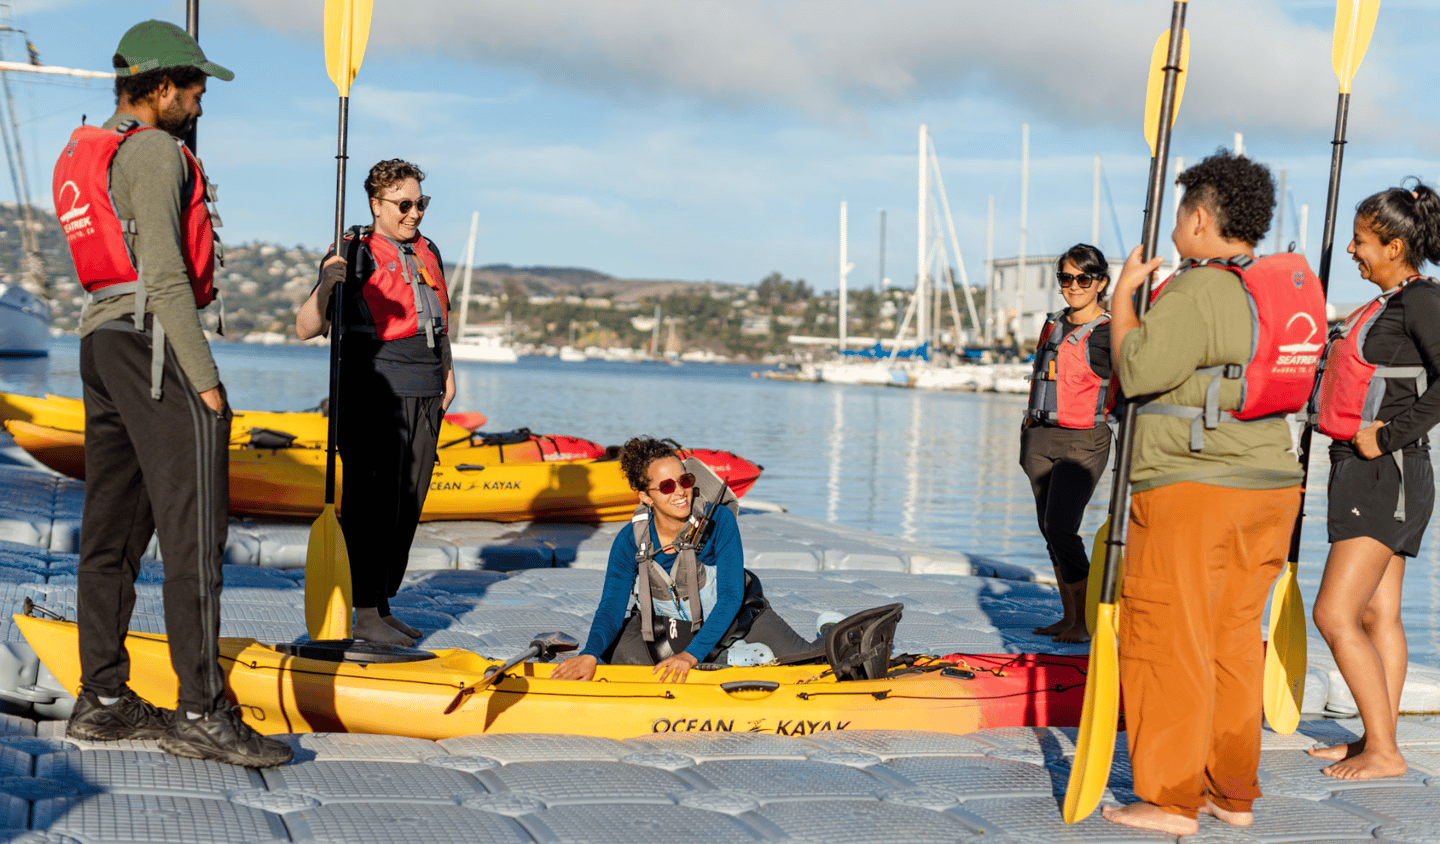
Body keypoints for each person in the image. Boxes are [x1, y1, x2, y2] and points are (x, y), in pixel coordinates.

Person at [54, 20, 290, 766]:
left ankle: (104, 700)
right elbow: (164, 276)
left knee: (112, 534)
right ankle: (202, 710)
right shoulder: (154, 151)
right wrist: (208, 382)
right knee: (193, 536)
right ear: (159, 88)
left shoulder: (89, 146)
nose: (199, 102)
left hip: (102, 340)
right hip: (155, 345)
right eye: (193, 87)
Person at [1102, 150, 1324, 835]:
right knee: (1231, 641)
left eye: (1179, 211)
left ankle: (1168, 799)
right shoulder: (1271, 288)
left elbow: (1139, 371)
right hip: (1271, 488)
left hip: (1193, 488)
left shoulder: (1198, 289)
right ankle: (1230, 792)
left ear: (1198, 218)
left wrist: (1121, 302)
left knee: (1168, 636)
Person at [1307, 182, 1440, 780]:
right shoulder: (1381, 304)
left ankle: (1385, 752)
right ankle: (1375, 737)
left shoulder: (1421, 301)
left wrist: (1384, 436)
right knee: (1376, 615)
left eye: (1362, 242)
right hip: (1364, 470)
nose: (1353, 251)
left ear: (1393, 245)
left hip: (1386, 471)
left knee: (1334, 615)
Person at [295, 159, 455, 646]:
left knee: (407, 505)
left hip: (426, 386)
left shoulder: (429, 251)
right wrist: (328, 282)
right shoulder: (353, 251)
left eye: (420, 203)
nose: (414, 214)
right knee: (371, 506)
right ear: (376, 204)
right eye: (404, 205)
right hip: (375, 390)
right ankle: (362, 613)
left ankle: (380, 604)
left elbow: (439, 319)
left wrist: (448, 371)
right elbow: (305, 328)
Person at [552, 437, 820, 682]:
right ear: (646, 497)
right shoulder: (629, 540)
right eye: (667, 486)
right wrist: (589, 654)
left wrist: (691, 655)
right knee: (619, 657)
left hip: (740, 618)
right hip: (672, 628)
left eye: (685, 480)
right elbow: (611, 607)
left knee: (809, 666)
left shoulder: (719, 520)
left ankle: (827, 629)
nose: (680, 492)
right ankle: (727, 658)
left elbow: (730, 597)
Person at [1020, 244, 1114, 643]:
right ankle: (1069, 616)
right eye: (1066, 278)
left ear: (1100, 283)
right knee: (1048, 528)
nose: (1073, 286)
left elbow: (1136, 384)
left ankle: (1088, 621)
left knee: (1062, 527)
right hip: (1040, 438)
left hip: (1084, 441)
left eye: (1083, 279)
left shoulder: (1111, 334)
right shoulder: (1053, 324)